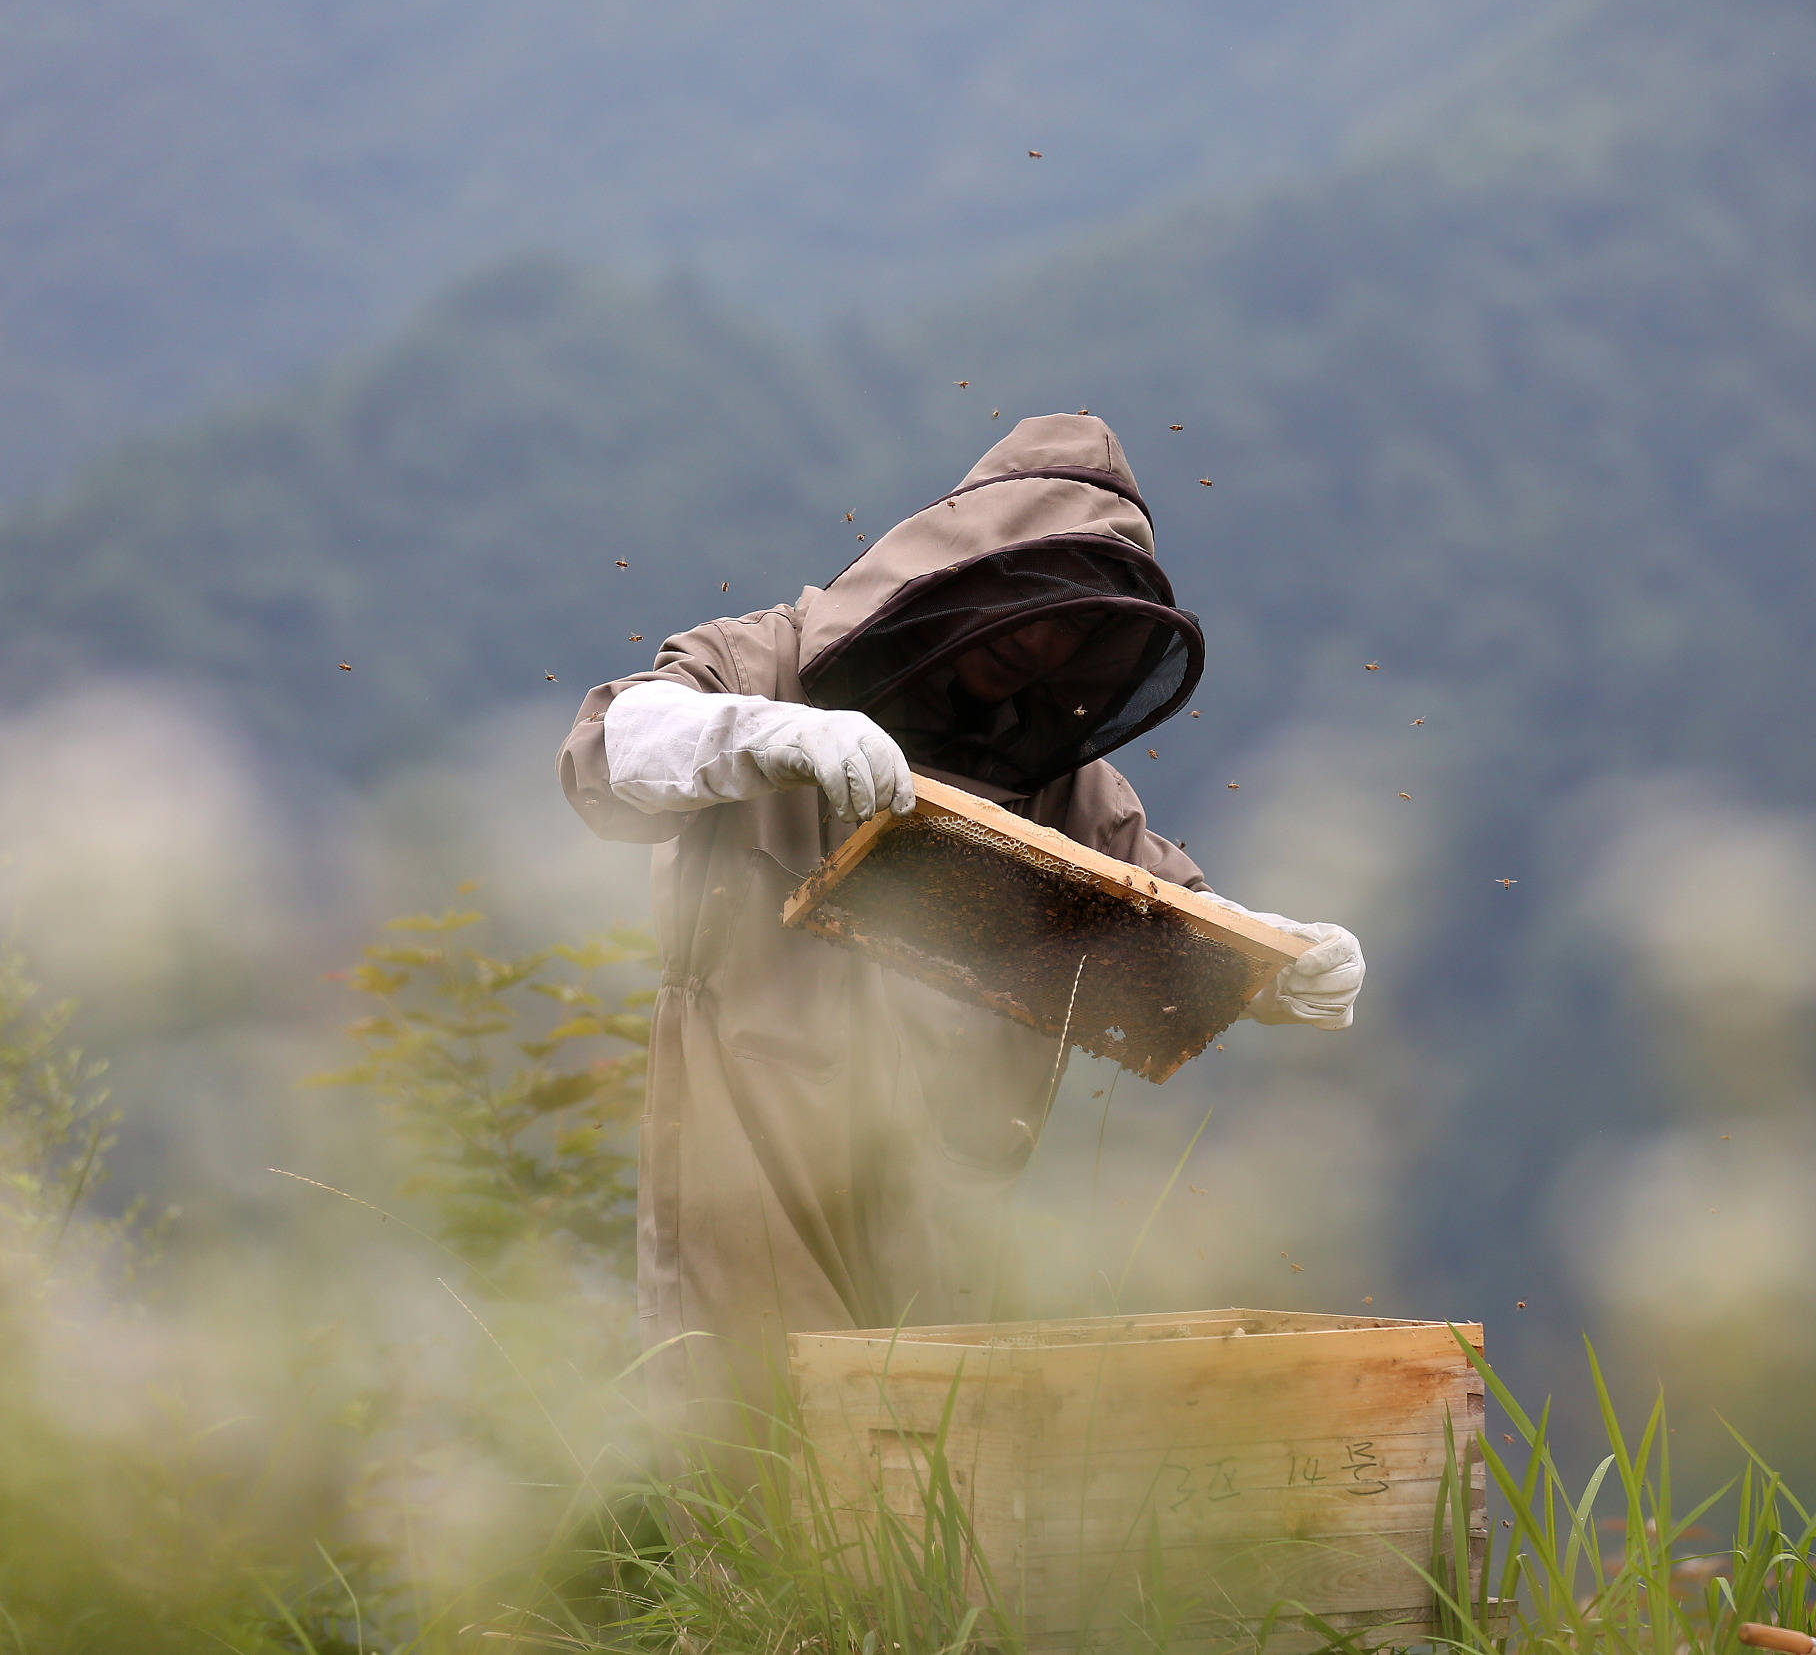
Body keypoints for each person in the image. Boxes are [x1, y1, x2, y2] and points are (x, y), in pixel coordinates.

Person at [557, 413, 1364, 1454]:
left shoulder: (1062, 783)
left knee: (934, 1538)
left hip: (950, 1209)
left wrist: (1278, 959)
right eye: (1029, 605)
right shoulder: (767, 660)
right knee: (757, 1517)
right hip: (749, 1167)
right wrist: (763, 736)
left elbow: (1171, 915)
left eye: (1073, 628)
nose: (1044, 643)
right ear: (962, 565)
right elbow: (604, 753)